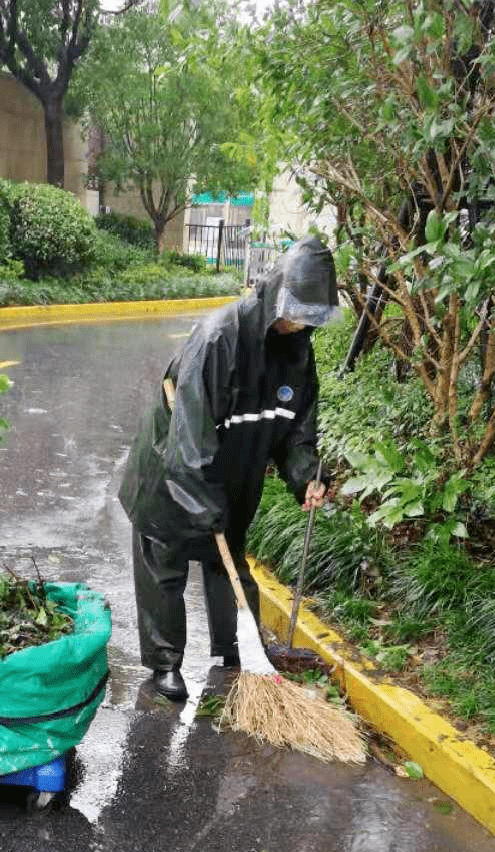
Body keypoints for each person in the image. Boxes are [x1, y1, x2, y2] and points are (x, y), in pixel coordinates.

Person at [117, 236, 340, 701]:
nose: (302, 323)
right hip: (172, 472)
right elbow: (188, 441)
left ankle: (238, 651)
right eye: (298, 310)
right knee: (166, 564)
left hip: (233, 471)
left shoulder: (297, 352)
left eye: (311, 316)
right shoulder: (219, 339)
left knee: (229, 564)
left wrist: (307, 476)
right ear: (277, 293)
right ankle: (164, 664)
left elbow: (297, 428)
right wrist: (203, 499)